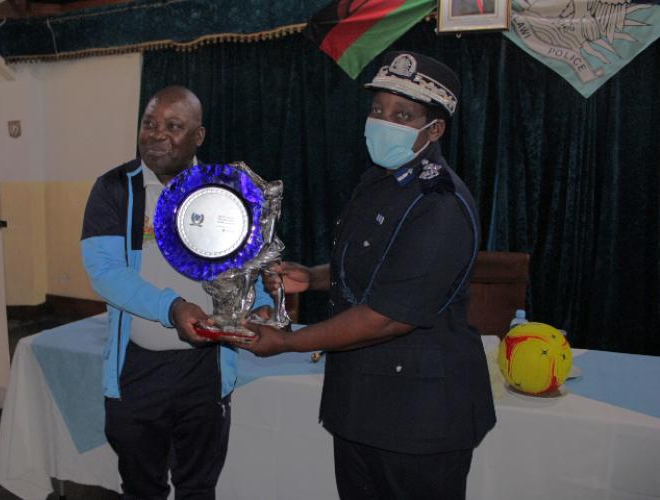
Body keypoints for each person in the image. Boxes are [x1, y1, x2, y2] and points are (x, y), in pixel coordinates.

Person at [238, 52, 496, 500]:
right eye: (377, 109)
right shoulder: (380, 179)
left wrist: (288, 341)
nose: (383, 121)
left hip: (419, 420)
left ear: (434, 130)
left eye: (402, 114)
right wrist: (312, 278)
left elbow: (388, 315)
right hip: (360, 405)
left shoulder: (440, 204)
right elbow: (371, 268)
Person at [81, 85, 272, 500]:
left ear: (198, 136)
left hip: (205, 369)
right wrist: (172, 308)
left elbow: (247, 270)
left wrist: (259, 307)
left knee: (198, 487)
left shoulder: (227, 192)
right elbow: (105, 273)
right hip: (137, 370)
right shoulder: (115, 188)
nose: (157, 134)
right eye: (149, 123)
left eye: (173, 126)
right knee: (141, 487)